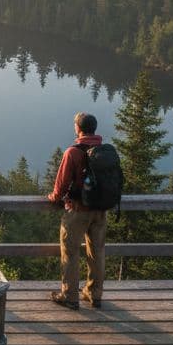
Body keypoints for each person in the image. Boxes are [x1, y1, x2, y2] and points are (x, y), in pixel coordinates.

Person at [47, 112, 107, 310]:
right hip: (100, 210)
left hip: (78, 210)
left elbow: (61, 185)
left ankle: (70, 296)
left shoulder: (72, 152)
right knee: (97, 252)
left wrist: (54, 199)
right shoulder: (104, 151)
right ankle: (94, 294)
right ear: (94, 128)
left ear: (78, 128)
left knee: (70, 253)